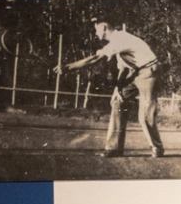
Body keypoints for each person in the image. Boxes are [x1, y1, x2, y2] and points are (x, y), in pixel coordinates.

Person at [63, 16, 167, 159]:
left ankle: (157, 148)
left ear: (104, 27)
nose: (95, 33)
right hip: (135, 73)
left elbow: (95, 59)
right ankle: (113, 148)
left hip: (149, 72)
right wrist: (117, 89)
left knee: (144, 115)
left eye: (96, 29)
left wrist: (69, 67)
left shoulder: (119, 39)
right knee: (117, 101)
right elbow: (123, 69)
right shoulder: (117, 42)